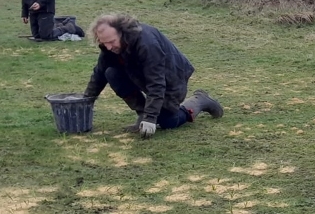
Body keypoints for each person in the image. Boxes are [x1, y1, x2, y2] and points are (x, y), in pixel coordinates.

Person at [83, 13, 223, 138]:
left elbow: (156, 83)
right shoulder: (110, 47)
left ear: (122, 32)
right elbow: (99, 73)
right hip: (142, 74)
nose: (108, 47)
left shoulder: (147, 44)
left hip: (171, 76)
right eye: (104, 43)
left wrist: (151, 118)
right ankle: (142, 113)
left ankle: (200, 100)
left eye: (111, 42)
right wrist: (85, 102)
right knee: (111, 73)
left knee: (168, 121)